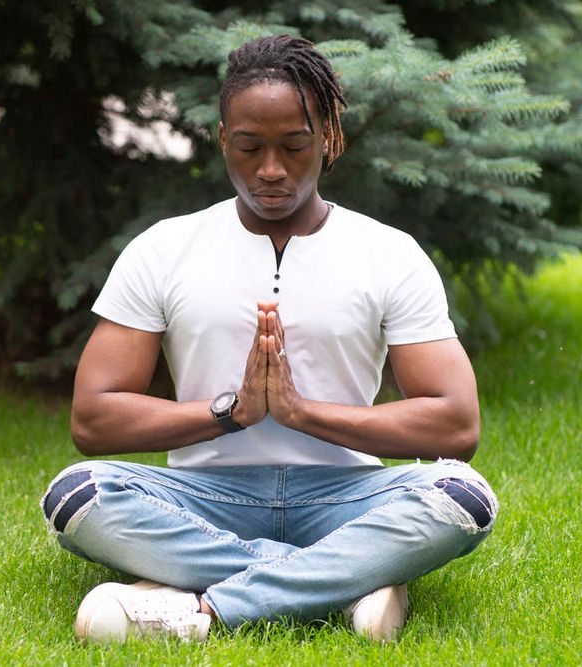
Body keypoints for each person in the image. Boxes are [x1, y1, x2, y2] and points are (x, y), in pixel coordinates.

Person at [40, 34, 498, 644]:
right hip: (202, 497)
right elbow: (93, 419)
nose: (271, 169)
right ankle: (346, 581)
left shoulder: (389, 253)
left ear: (329, 138)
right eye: (250, 147)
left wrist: (302, 413)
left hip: (345, 496)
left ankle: (201, 606)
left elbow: (456, 424)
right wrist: (232, 412)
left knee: (462, 494)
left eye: (294, 146)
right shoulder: (164, 248)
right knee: (77, 493)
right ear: (222, 139)